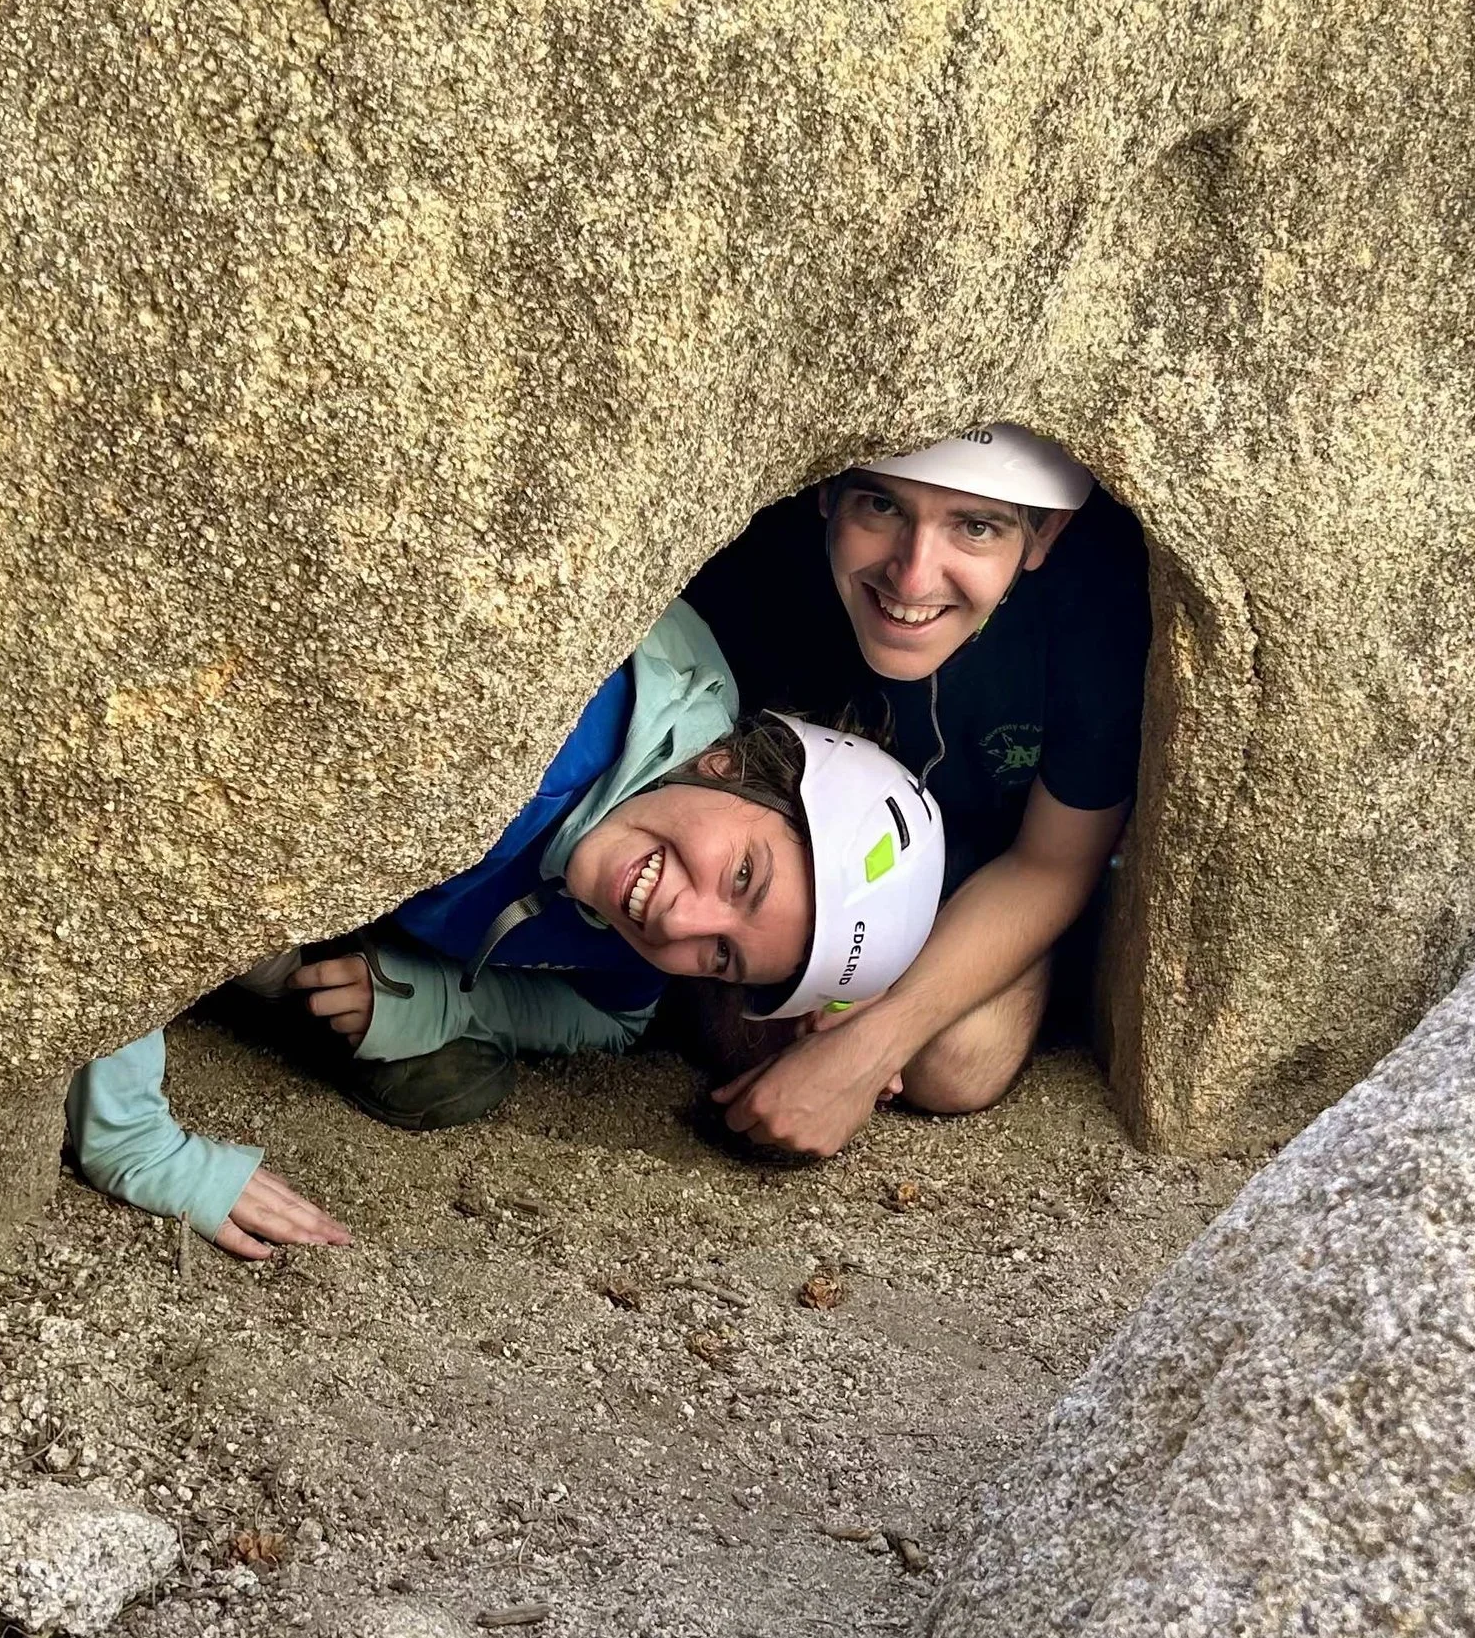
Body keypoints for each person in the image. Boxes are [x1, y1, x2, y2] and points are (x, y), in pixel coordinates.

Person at [66, 598, 943, 1255]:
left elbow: (620, 1017)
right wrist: (142, 1146)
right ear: (731, 763)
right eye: (743, 873)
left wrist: (440, 1002)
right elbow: (155, 821)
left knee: (445, 1073)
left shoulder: (640, 900)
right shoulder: (550, 733)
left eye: (723, 955)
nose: (680, 917)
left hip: (304, 886)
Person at [686, 426, 1149, 1160]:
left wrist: (872, 1044)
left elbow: (1052, 862)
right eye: (880, 505)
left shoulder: (1092, 611)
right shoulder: (759, 579)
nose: (911, 577)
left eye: (975, 525)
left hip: (987, 873)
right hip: (817, 870)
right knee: (752, 1031)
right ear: (826, 493)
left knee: (961, 1061)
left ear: (1044, 533)